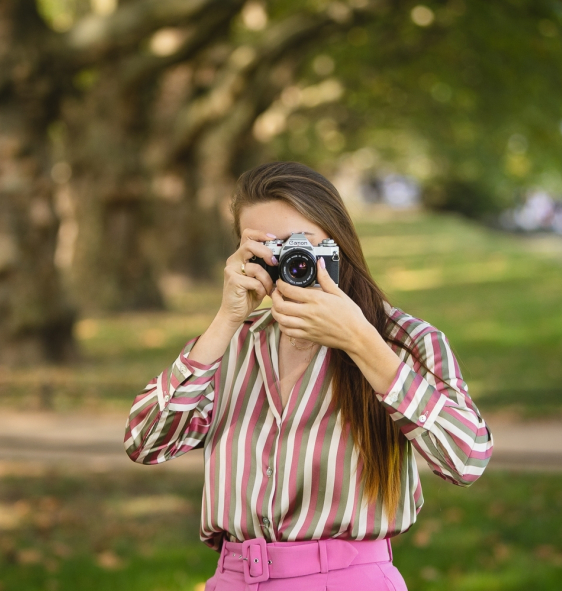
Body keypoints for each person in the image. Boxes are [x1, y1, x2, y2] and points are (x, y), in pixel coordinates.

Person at [124, 161, 494, 590]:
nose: (291, 261)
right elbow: (145, 442)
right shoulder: (232, 345)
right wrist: (225, 319)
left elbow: (466, 459)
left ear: (338, 246)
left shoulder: (405, 341)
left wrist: (361, 342)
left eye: (302, 245)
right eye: (268, 247)